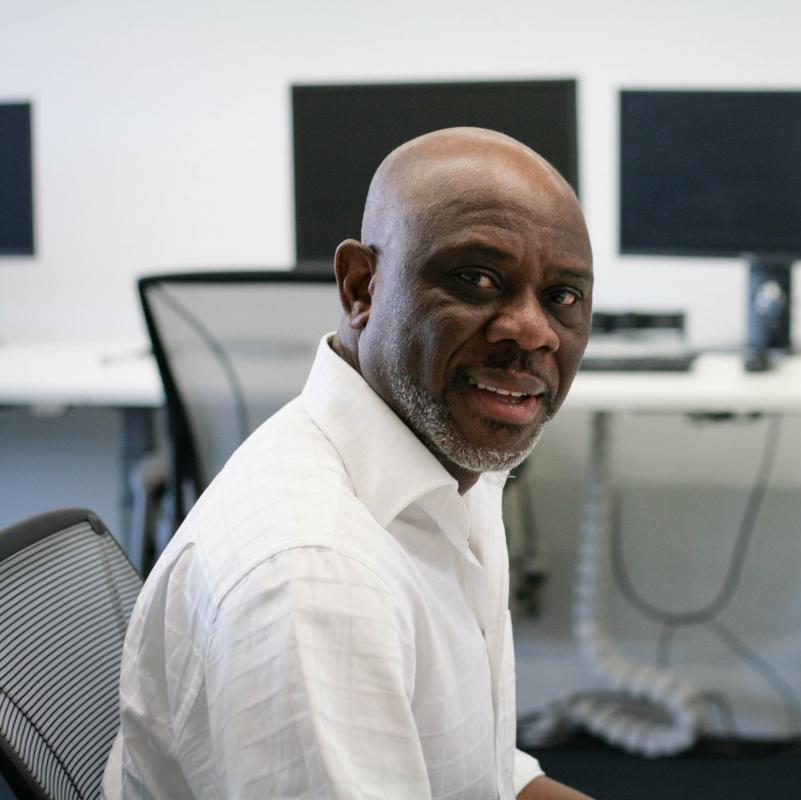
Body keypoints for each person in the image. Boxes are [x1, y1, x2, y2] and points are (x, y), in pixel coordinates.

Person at [105, 128, 594, 799]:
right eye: (475, 278)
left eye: (564, 296)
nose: (532, 330)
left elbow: (466, 764)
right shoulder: (315, 577)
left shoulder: (441, 447)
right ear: (361, 286)